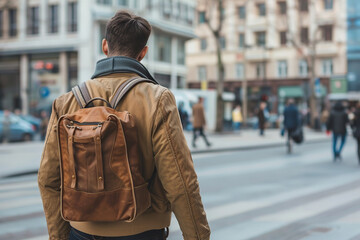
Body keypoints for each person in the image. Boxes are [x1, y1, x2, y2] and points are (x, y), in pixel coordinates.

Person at [38, 11, 210, 240]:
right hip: (142, 231)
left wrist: (60, 237)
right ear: (143, 53)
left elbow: (48, 179)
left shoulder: (66, 102)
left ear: (105, 46)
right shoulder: (157, 99)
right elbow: (180, 180)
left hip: (81, 231)